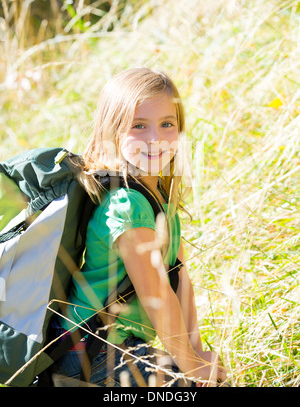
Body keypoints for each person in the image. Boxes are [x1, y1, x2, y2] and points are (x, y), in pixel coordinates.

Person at [51, 67, 227, 387]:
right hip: (86, 350)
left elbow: (178, 277)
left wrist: (196, 350)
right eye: (139, 126)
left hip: (118, 346)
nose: (155, 138)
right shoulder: (127, 204)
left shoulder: (160, 195)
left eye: (166, 124)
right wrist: (188, 365)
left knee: (211, 377)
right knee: (182, 388)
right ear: (113, 132)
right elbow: (155, 295)